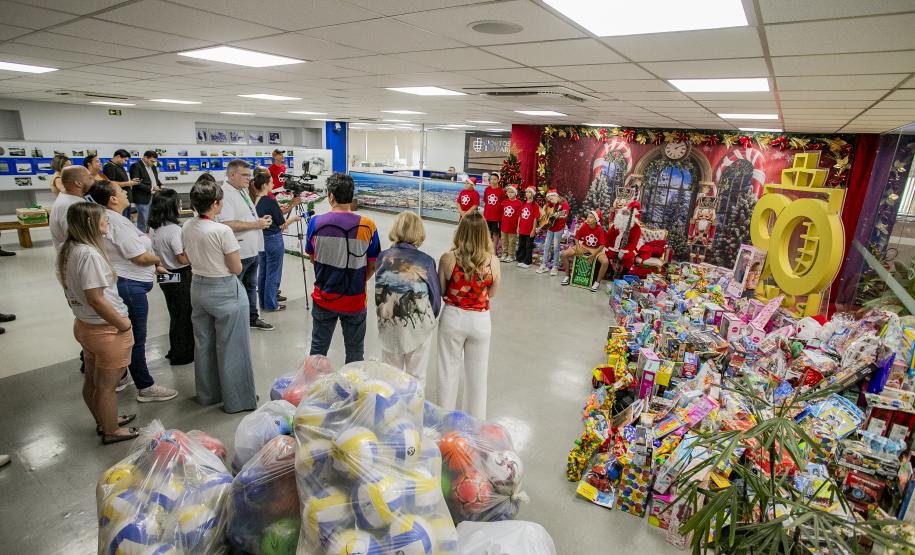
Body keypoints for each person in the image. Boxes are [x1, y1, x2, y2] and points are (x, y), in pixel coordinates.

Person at [88, 180, 178, 403]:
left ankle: (122, 375)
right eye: (121, 191)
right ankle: (145, 386)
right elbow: (138, 256)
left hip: (131, 280)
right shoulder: (116, 222)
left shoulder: (116, 219)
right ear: (112, 199)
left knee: (131, 336)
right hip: (130, 284)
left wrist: (154, 263)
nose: (126, 193)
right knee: (137, 336)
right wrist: (160, 258)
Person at [57, 202, 138, 444]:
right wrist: (123, 325)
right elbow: (96, 298)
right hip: (106, 329)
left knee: (93, 380)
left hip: (85, 326)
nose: (107, 224)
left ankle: (105, 420)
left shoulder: (68, 248)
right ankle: (112, 430)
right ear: (92, 223)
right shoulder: (90, 255)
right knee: (105, 386)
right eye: (104, 220)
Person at [182, 177, 257, 413]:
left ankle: (208, 394)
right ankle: (238, 400)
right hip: (224, 289)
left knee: (203, 344)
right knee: (234, 346)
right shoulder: (222, 230)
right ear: (215, 203)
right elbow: (236, 268)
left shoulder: (187, 226)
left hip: (198, 287)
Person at [305, 173, 381, 363]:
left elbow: (313, 257)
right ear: (351, 195)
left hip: (323, 296)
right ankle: (352, 391)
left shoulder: (316, 222)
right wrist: (358, 277)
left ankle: (313, 389)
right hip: (354, 299)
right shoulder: (368, 225)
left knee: (317, 351)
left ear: (330, 196)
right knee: (355, 354)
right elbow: (373, 264)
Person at [433, 211, 500, 419]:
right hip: (480, 320)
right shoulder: (493, 262)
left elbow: (442, 291)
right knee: (478, 375)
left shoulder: (447, 258)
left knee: (447, 371)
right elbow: (492, 293)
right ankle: (475, 425)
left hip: (453, 316)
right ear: (484, 234)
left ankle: (445, 422)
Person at [375, 211, 441, 387]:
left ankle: (390, 412)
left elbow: (379, 290)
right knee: (416, 378)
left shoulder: (383, 257)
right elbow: (435, 298)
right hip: (418, 327)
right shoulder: (425, 261)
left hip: (388, 325)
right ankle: (413, 413)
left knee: (389, 377)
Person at [218, 159, 274, 331]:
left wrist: (260, 222)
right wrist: (255, 225)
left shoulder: (241, 191)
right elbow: (227, 223)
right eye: (245, 175)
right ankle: (236, 323)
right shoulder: (225, 194)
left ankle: (252, 318)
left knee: (251, 287)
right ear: (232, 174)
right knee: (236, 290)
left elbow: (247, 215)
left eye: (249, 175)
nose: (249, 179)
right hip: (239, 252)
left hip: (252, 249)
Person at [149, 189, 194, 365]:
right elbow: (181, 257)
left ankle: (175, 348)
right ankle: (183, 353)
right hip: (180, 274)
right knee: (185, 314)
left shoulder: (155, 228)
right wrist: (195, 258)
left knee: (175, 313)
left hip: (164, 275)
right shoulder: (174, 229)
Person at [250, 173, 300, 312]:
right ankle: (271, 304)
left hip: (261, 239)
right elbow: (281, 224)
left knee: (263, 272)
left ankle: (264, 302)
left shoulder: (253, 199)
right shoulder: (269, 201)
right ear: (265, 185)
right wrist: (294, 218)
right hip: (273, 239)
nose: (273, 185)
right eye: (271, 182)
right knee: (273, 272)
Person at [560, 209, 609, 292]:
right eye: (587, 217)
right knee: (564, 254)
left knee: (605, 262)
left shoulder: (599, 229)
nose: (587, 219)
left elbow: (602, 245)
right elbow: (576, 238)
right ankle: (567, 277)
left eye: (590, 217)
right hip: (585, 246)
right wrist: (578, 248)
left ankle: (597, 283)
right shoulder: (585, 225)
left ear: (595, 220)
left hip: (596, 249)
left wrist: (594, 254)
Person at [51, 166, 94, 251]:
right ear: (78, 183)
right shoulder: (72, 206)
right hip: (77, 256)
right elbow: (79, 239)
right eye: (89, 177)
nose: (93, 179)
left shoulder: (66, 198)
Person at [536, 189, 569, 277]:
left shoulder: (564, 204)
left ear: (556, 196)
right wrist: (543, 211)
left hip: (559, 228)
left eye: (551, 198)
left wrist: (556, 215)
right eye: (549, 199)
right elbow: (546, 207)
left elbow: (565, 214)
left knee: (556, 247)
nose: (550, 201)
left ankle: (555, 267)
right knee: (546, 246)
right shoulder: (551, 203)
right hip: (551, 227)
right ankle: (544, 265)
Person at [129, 150, 162, 232]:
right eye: (151, 161)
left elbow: (155, 179)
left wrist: (160, 185)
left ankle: (149, 235)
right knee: (143, 219)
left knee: (152, 218)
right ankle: (142, 237)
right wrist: (151, 188)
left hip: (154, 195)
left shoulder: (153, 167)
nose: (153, 163)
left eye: (154, 162)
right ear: (145, 158)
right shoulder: (136, 166)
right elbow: (136, 183)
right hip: (142, 197)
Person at [515, 186, 540, 269]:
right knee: (521, 245)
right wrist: (518, 227)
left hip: (529, 230)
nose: (527, 194)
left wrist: (533, 230)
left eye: (529, 192)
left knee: (528, 246)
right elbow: (519, 216)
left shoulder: (535, 205)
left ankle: (527, 261)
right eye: (526, 192)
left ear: (533, 194)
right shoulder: (523, 203)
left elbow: (535, 218)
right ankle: (521, 259)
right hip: (522, 228)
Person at [482, 172, 504, 255]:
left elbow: (502, 203)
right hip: (487, 215)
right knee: (487, 232)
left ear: (498, 180)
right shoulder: (487, 189)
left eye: (495, 179)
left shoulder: (501, 191)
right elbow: (485, 201)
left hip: (496, 217)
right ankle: (487, 248)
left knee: (495, 233)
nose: (493, 181)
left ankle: (494, 250)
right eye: (491, 179)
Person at [499, 185, 522, 263]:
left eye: (512, 192)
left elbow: (519, 216)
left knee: (512, 242)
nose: (510, 194)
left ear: (515, 193)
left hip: (513, 226)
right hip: (504, 225)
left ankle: (511, 255)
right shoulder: (504, 202)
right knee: (504, 241)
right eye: (508, 192)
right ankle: (504, 254)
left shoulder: (519, 203)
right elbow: (502, 213)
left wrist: (518, 226)